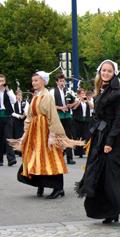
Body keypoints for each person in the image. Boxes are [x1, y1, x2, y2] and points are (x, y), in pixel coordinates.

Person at [75, 60, 120, 225]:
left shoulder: (117, 93)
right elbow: (97, 117)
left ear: (114, 74)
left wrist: (109, 141)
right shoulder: (100, 91)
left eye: (109, 71)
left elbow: (119, 120)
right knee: (103, 175)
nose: (105, 73)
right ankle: (111, 211)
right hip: (100, 135)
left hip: (114, 138)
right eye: (103, 70)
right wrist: (91, 135)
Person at [11, 71, 83, 199]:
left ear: (44, 81)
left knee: (51, 157)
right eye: (33, 81)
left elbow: (52, 116)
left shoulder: (47, 96)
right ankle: (40, 183)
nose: (34, 83)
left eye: (36, 80)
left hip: (45, 131)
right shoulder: (36, 96)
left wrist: (53, 135)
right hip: (35, 132)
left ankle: (58, 188)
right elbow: (29, 116)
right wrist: (25, 133)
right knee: (36, 157)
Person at [49, 74, 76, 165]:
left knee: (68, 136)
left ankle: (69, 158)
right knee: (58, 136)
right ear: (57, 82)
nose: (62, 83)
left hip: (67, 116)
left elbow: (74, 103)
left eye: (63, 81)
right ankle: (57, 156)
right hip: (58, 116)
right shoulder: (52, 91)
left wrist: (70, 105)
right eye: (60, 81)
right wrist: (60, 108)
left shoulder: (68, 91)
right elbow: (50, 105)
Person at [0, 74, 17, 167]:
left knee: (8, 137)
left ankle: (11, 159)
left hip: (7, 115)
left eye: (2, 81)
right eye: (0, 81)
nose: (1, 83)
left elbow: (14, 100)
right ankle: (0, 160)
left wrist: (7, 90)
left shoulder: (8, 91)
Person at [71, 89, 93, 158]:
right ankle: (79, 152)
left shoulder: (87, 101)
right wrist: (80, 100)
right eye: (81, 93)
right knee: (78, 136)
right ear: (78, 94)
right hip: (77, 120)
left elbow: (92, 107)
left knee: (86, 135)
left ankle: (85, 150)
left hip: (86, 120)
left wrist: (87, 100)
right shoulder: (76, 100)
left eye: (84, 93)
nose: (83, 95)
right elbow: (74, 108)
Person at [10, 90, 29, 156]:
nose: (19, 96)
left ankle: (22, 149)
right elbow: (12, 112)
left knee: (23, 134)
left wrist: (24, 114)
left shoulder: (24, 102)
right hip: (16, 119)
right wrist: (19, 116)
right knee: (16, 134)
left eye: (20, 95)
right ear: (16, 95)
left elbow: (27, 109)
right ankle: (17, 150)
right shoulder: (13, 103)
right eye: (18, 95)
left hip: (23, 119)